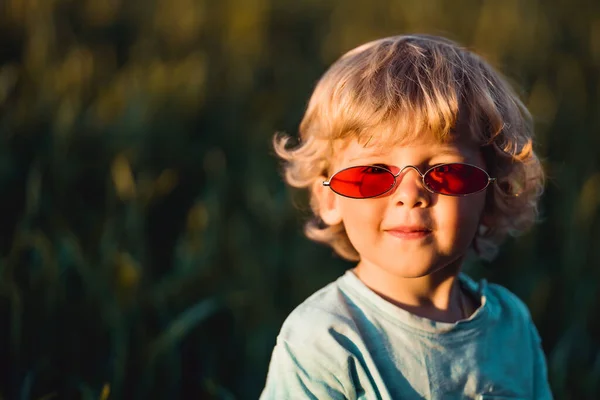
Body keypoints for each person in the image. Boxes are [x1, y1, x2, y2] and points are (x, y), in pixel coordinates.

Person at [260, 34, 552, 399]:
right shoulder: (326, 339)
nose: (410, 195)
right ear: (328, 199)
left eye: (447, 172)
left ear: (493, 195)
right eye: (372, 174)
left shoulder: (512, 326)